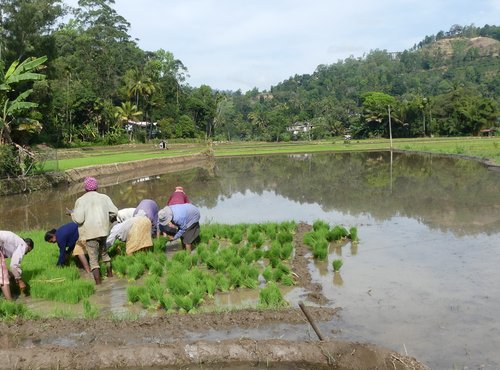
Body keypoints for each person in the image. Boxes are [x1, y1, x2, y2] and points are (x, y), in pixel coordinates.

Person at [71, 176, 118, 285]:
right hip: (104, 231)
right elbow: (114, 212)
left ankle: (99, 285)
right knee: (105, 254)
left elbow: (79, 219)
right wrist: (107, 218)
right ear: (96, 187)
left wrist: (72, 214)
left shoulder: (81, 200)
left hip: (91, 234)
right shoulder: (104, 197)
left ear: (85, 188)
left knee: (93, 259)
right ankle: (110, 277)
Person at [0, 231, 34, 300]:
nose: (26, 253)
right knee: (3, 276)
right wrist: (20, 280)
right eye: (28, 251)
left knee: (5, 272)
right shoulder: (23, 245)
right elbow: (14, 266)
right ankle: (10, 303)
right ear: (29, 246)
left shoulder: (15, 241)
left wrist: (14, 275)